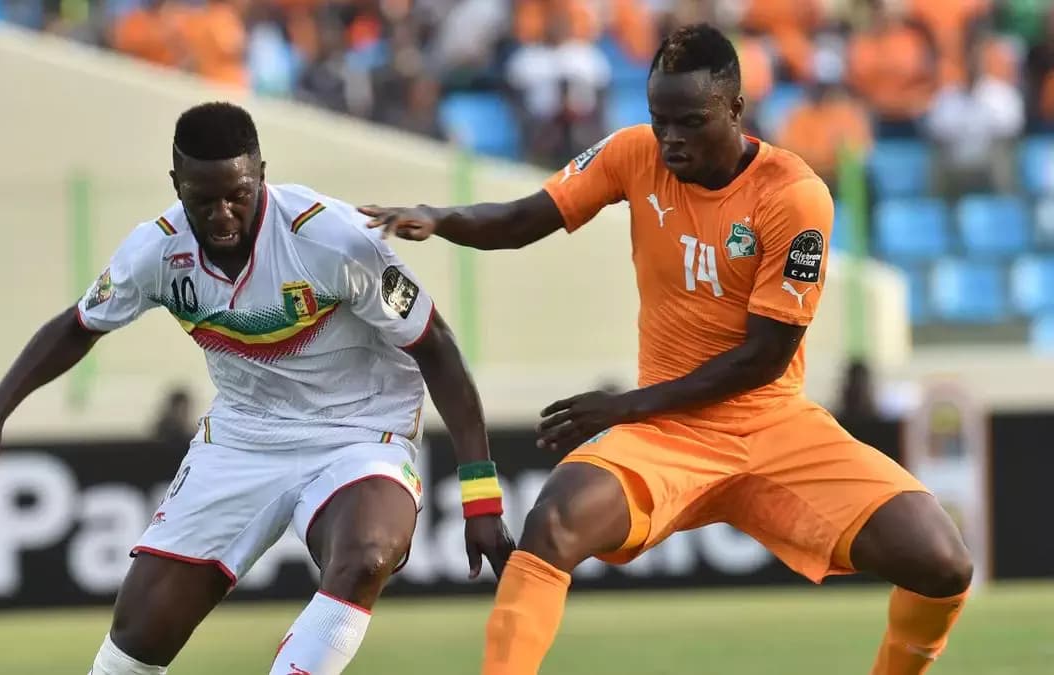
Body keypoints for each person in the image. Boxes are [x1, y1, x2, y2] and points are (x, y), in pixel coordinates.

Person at [362, 24, 973, 675]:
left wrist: (626, 405)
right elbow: (524, 217)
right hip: (667, 435)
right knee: (555, 520)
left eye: (690, 121)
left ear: (736, 109)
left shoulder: (794, 196)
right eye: (659, 120)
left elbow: (763, 358)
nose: (671, 138)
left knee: (943, 561)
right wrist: (439, 217)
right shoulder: (634, 153)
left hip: (770, 422)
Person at [0, 102, 513, 675]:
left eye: (238, 193)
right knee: (139, 635)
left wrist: (480, 494)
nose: (222, 215)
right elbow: (77, 326)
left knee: (365, 556)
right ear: (175, 185)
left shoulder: (332, 239)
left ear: (262, 173)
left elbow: (436, 346)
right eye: (202, 198)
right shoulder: (156, 252)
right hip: (242, 439)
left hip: (360, 431)